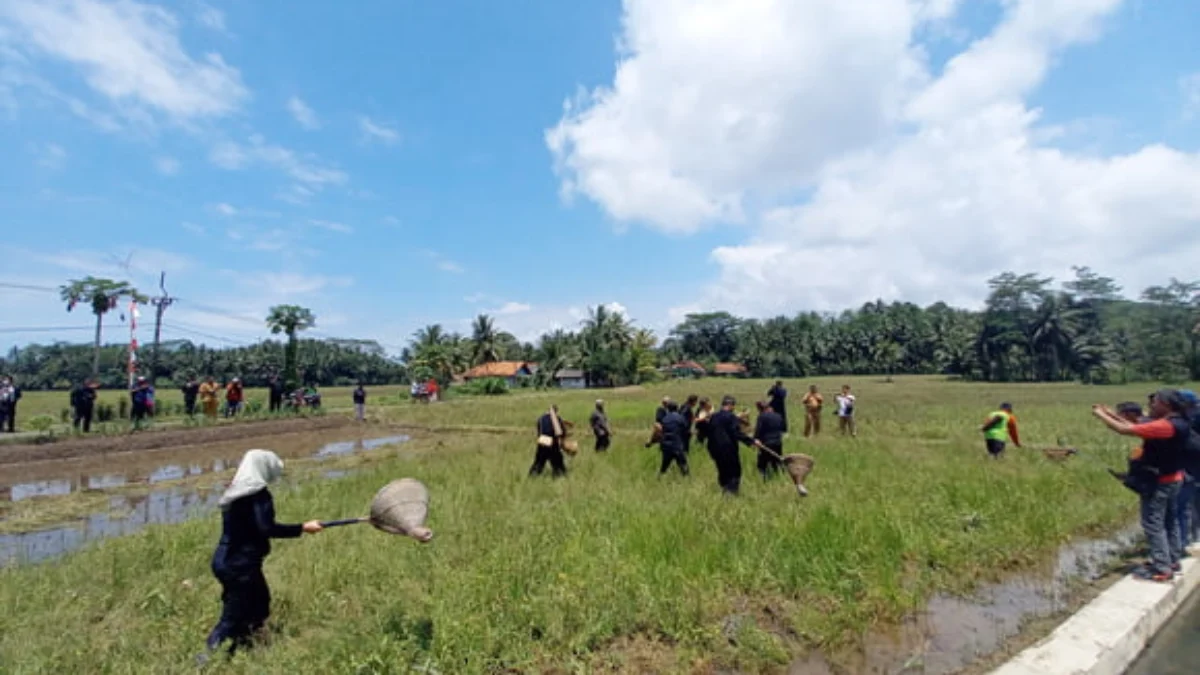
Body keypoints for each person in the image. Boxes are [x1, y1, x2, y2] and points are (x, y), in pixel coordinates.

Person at [199, 450, 322, 662]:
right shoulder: (258, 495)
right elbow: (266, 528)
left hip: (225, 560)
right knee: (232, 616)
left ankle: (247, 646)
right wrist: (302, 527)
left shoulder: (235, 492)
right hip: (240, 565)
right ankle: (203, 662)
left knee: (259, 602)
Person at [1092, 390, 1192, 582]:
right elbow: (1136, 424)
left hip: (1160, 483)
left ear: (1166, 405)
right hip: (1174, 479)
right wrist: (1110, 413)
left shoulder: (1166, 426)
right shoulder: (1177, 422)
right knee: (1169, 522)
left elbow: (1125, 430)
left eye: (1154, 403)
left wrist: (1100, 415)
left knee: (1153, 524)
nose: (1150, 407)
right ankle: (1171, 560)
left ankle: (1162, 568)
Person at [706, 395, 765, 495]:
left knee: (722, 470)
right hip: (728, 449)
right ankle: (731, 494)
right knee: (734, 472)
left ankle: (724, 490)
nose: (733, 408)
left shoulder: (714, 417)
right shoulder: (731, 417)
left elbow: (708, 433)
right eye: (733, 406)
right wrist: (752, 441)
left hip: (715, 449)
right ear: (730, 405)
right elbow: (736, 433)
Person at [530, 405, 569, 478]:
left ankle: (532, 477)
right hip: (553, 442)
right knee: (558, 462)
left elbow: (539, 432)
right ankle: (560, 476)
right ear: (556, 411)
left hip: (543, 441)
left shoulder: (540, 419)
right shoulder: (557, 418)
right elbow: (562, 432)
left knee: (539, 462)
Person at [656, 401, 690, 476]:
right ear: (677, 408)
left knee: (664, 466)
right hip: (677, 445)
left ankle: (659, 478)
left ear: (668, 409)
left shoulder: (665, 419)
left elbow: (660, 431)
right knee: (683, 465)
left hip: (666, 445)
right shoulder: (680, 418)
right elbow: (686, 429)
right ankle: (688, 480)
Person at [754, 401, 785, 480]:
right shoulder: (778, 416)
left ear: (760, 409)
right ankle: (778, 477)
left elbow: (758, 431)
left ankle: (764, 480)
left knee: (762, 464)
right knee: (777, 462)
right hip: (778, 442)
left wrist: (755, 440)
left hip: (766, 444)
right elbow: (781, 428)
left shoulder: (761, 417)